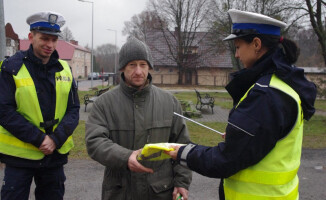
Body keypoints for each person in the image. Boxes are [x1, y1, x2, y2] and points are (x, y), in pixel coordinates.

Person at [166, 9, 317, 200]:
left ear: (256, 44)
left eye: (238, 47)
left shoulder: (265, 94)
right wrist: (240, 138)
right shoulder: (282, 84)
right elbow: (265, 140)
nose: (236, 55)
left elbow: (225, 160)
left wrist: (183, 152)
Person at [85, 37, 192, 200]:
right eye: (132, 65)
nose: (138, 71)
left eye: (143, 65)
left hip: (160, 192)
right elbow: (95, 141)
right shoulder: (104, 103)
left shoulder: (169, 102)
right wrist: (125, 157)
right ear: (122, 68)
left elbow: (182, 145)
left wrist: (182, 183)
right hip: (120, 192)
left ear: (149, 67)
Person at [0, 11, 80, 200]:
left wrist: (55, 139)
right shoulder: (11, 68)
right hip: (19, 158)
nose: (50, 45)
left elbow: (74, 110)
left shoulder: (65, 69)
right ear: (30, 37)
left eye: (54, 40)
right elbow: (4, 110)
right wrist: (39, 139)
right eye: (44, 38)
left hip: (54, 156)